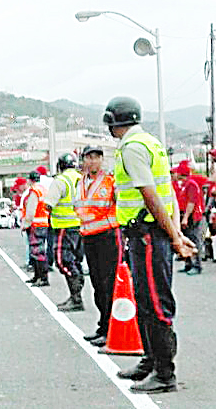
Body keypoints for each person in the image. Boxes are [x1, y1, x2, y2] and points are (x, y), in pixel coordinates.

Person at [104, 96, 195, 394]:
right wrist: (177, 233)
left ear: (112, 121)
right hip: (149, 231)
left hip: (146, 231)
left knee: (155, 302)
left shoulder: (132, 149)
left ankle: (165, 373)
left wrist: (173, 237)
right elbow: (166, 191)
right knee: (144, 299)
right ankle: (151, 360)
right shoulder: (151, 143)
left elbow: (150, 194)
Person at [74, 146, 121, 347]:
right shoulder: (81, 182)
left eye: (96, 158)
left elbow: (120, 205)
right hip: (89, 237)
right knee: (96, 285)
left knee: (107, 284)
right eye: (89, 158)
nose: (92, 161)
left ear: (101, 160)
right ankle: (103, 326)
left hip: (107, 237)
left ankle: (110, 329)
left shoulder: (110, 181)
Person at [44, 153, 84, 312]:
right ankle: (76, 291)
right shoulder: (81, 178)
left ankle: (76, 294)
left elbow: (49, 204)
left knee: (63, 261)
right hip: (81, 226)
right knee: (76, 260)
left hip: (64, 226)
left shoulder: (60, 181)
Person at [20, 171, 51, 286]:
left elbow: (30, 211)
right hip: (43, 223)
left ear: (30, 180)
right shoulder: (43, 190)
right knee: (40, 250)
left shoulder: (34, 191)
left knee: (37, 252)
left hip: (35, 225)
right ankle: (38, 276)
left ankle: (42, 278)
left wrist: (25, 225)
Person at [175, 162, 205, 275]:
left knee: (193, 240)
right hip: (186, 214)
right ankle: (188, 263)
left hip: (192, 216)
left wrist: (186, 217)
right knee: (186, 239)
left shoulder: (191, 185)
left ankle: (196, 265)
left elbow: (191, 203)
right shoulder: (184, 185)